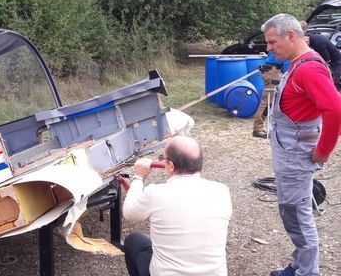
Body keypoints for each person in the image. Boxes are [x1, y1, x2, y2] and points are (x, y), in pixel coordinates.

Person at [261, 14, 341, 276]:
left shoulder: (308, 68)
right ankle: (300, 265)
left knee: (298, 213)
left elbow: (335, 110)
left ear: (291, 36)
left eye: (272, 42)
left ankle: (308, 272)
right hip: (289, 154)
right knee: (291, 210)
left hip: (297, 156)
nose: (269, 47)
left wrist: (323, 151)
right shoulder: (296, 63)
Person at [120, 136, 232, 276]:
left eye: (163, 158)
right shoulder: (221, 191)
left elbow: (129, 212)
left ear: (171, 165)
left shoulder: (156, 193)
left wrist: (138, 177)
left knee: (133, 240)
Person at [252, 51, 289, 138]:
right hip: (273, 72)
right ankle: (257, 129)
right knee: (267, 102)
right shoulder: (287, 46)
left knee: (271, 101)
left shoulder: (281, 42)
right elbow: (287, 65)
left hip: (272, 70)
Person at [299, 20, 341, 87]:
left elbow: (327, 60)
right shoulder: (314, 37)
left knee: (333, 81)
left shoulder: (317, 44)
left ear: (306, 40)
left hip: (335, 61)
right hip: (334, 57)